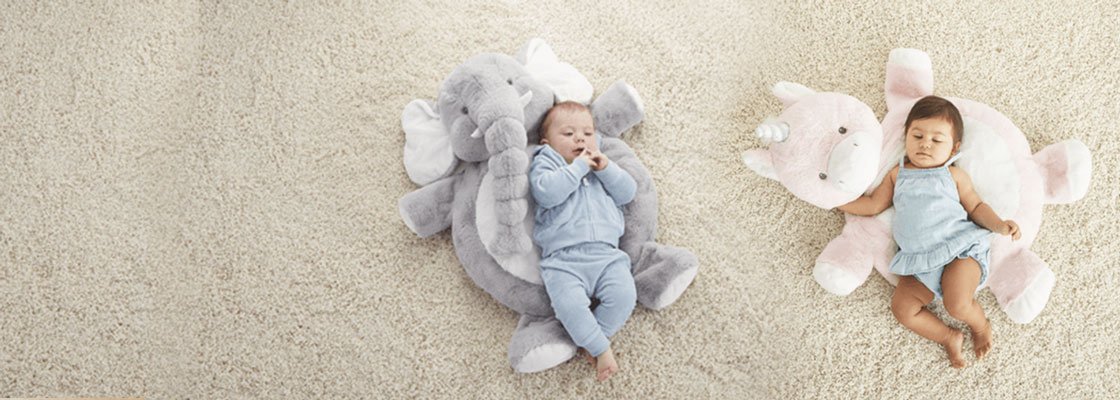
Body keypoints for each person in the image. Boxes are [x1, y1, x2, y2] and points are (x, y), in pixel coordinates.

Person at [838, 96, 1021, 368]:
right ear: (906, 137)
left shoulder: (953, 175)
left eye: (937, 140)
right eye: (918, 135)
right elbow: (873, 204)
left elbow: (977, 206)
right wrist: (836, 200)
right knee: (902, 309)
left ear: (954, 148)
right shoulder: (896, 175)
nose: (925, 143)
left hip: (959, 249)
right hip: (918, 261)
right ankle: (948, 336)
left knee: (956, 304)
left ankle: (980, 325)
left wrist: (999, 224)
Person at [529, 101, 638, 381]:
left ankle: (594, 340)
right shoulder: (547, 161)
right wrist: (577, 168)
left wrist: (606, 169)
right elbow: (546, 194)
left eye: (587, 133)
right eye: (568, 134)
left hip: (607, 255)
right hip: (563, 260)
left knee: (625, 296)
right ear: (547, 142)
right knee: (568, 306)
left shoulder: (602, 164)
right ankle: (601, 348)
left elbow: (628, 193)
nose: (580, 138)